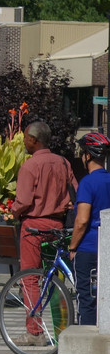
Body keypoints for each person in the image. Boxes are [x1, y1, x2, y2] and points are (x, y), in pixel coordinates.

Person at [11, 120, 77, 342]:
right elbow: (75, 191)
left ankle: (35, 331)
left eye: (25, 137)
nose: (23, 141)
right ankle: (61, 331)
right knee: (56, 279)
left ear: (34, 140)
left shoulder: (30, 166)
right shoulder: (63, 163)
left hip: (33, 226)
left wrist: (12, 212)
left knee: (30, 277)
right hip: (57, 226)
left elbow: (23, 201)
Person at [69, 132, 110, 325]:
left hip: (89, 248)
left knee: (86, 299)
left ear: (88, 156)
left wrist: (72, 247)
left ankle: (86, 341)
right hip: (107, 248)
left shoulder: (87, 182)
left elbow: (82, 220)